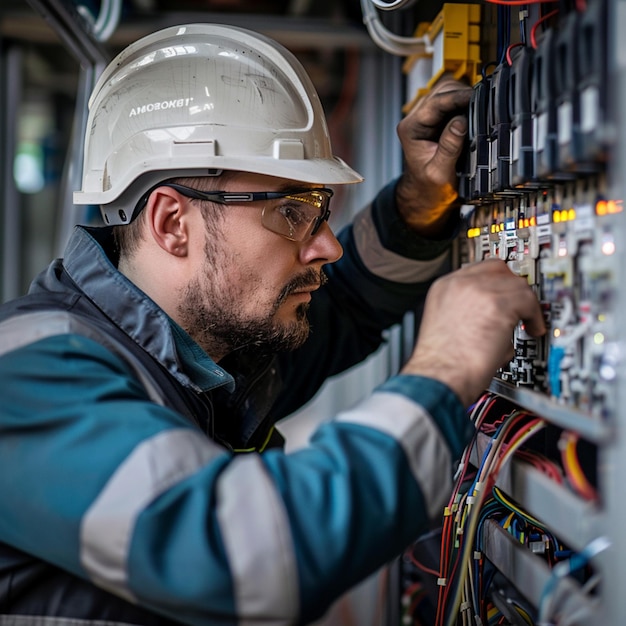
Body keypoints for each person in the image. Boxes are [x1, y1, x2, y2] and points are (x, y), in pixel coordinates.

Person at [0, 23, 544, 626]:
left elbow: (352, 304)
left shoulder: (205, 362)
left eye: (319, 210)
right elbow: (238, 557)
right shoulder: (28, 373)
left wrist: (418, 206)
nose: (328, 247)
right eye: (291, 211)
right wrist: (442, 370)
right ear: (172, 223)